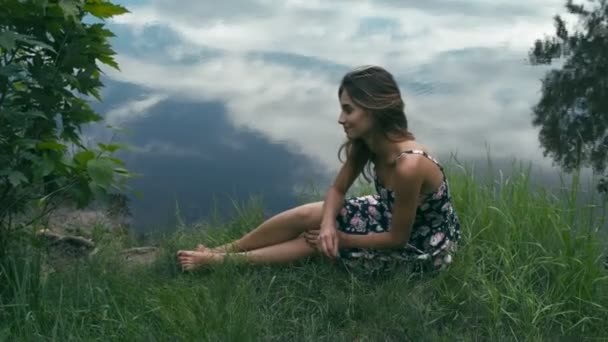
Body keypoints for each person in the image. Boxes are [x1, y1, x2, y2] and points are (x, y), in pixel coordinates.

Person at [177, 65, 461, 273]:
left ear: (374, 110)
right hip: (390, 214)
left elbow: (398, 238)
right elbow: (337, 189)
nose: (340, 119)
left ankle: (219, 263)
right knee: (310, 215)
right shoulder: (367, 143)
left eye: (348, 110)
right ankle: (223, 249)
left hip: (421, 243)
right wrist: (327, 224)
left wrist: (341, 238)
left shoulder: (408, 165)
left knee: (311, 242)